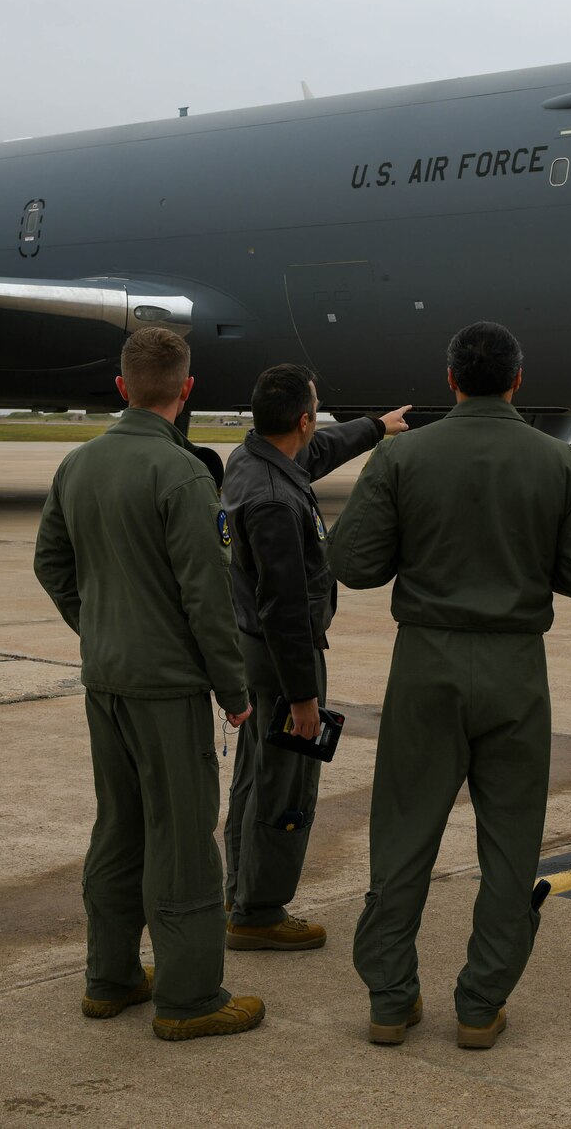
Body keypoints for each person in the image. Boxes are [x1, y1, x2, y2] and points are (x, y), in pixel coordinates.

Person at [329, 322, 571, 1051]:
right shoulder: (559, 462)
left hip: (426, 661)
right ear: (517, 381)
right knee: (510, 842)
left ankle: (391, 999)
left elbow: (355, 562)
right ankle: (480, 1002)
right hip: (515, 666)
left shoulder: (402, 454)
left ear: (451, 379)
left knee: (402, 835)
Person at [33, 327, 265, 1042]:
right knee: (187, 837)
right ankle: (190, 996)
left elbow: (52, 563)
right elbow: (208, 597)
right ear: (186, 389)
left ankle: (110, 977)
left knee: (120, 822)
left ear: (121, 387)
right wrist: (234, 691)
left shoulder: (78, 464)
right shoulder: (183, 474)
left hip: (106, 676)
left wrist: (100, 627)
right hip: (166, 685)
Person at [221, 363, 408, 950]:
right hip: (286, 660)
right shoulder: (277, 500)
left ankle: (242, 892)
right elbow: (284, 607)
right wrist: (304, 698)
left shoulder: (251, 461)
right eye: (315, 407)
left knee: (255, 776)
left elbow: (320, 449)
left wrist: (377, 427)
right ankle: (259, 913)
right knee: (287, 785)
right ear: (301, 419)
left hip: (254, 652)